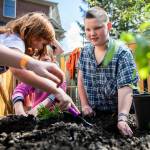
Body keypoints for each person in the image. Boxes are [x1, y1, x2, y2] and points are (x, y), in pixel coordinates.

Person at [0, 12, 79, 113]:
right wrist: (57, 91)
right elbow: (19, 71)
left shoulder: (9, 37)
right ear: (35, 36)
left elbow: (59, 51)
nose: (41, 48)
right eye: (43, 43)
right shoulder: (16, 40)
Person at [77, 7, 139, 136]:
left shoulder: (122, 53)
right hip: (96, 116)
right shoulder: (84, 53)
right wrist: (84, 105)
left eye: (97, 28)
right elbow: (81, 80)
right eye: (88, 29)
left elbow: (126, 88)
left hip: (123, 114)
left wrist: (122, 118)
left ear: (108, 26)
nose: (92, 33)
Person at [12, 49, 68, 116]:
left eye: (46, 60)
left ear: (53, 60)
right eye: (39, 61)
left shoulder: (59, 78)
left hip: (54, 116)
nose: (43, 65)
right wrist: (19, 110)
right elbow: (19, 90)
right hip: (35, 116)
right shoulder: (35, 76)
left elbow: (54, 96)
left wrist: (36, 110)